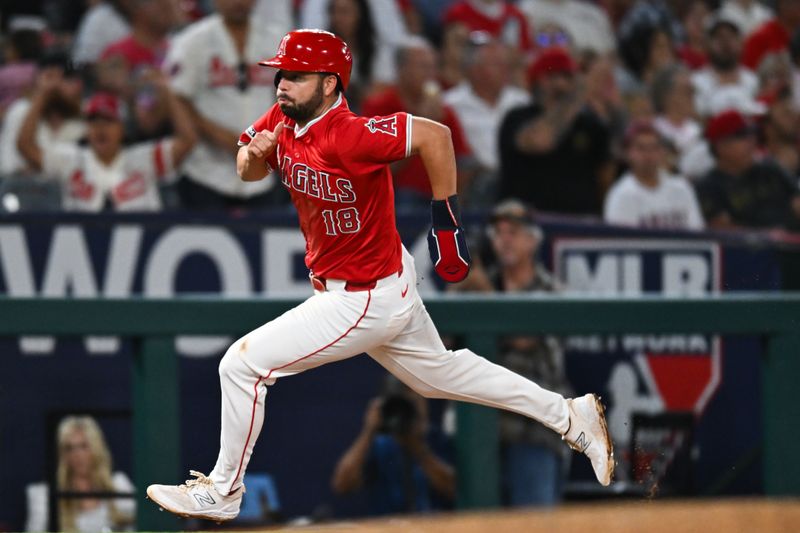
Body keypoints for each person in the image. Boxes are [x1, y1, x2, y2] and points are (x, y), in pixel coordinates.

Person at [145, 29, 614, 521]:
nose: (282, 83)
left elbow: (436, 136)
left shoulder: (350, 133)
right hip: (380, 283)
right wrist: (253, 155)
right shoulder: (283, 118)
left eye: (297, 76)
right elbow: (246, 170)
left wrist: (445, 217)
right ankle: (568, 415)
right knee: (441, 375)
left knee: (241, 366)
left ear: (330, 84)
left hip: (363, 296)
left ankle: (223, 490)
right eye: (281, 73)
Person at [456, 199, 573, 506]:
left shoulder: (550, 289)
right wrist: (458, 290)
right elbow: (442, 345)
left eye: (513, 232)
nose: (504, 239)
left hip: (532, 430)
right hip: (482, 430)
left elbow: (523, 337)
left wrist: (482, 293)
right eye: (498, 232)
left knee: (534, 524)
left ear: (533, 241)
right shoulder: (481, 282)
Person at [162, 0, 288, 209]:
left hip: (261, 176)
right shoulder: (193, 41)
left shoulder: (275, 40)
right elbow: (178, 96)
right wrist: (222, 137)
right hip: (206, 173)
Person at [16, 70, 196, 211]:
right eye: (94, 121)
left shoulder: (143, 159)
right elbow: (25, 146)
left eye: (108, 121)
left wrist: (167, 92)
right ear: (86, 129)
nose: (100, 128)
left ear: (122, 128)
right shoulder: (71, 160)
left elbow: (188, 141)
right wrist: (43, 95)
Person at [498, 47, 614, 215]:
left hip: (581, 224)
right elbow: (541, 141)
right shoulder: (517, 118)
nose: (566, 83)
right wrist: (578, 94)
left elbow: (605, 175)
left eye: (569, 76)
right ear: (538, 80)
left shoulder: (590, 124)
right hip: (528, 225)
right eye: (558, 75)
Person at [361, 37, 474, 207]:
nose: (430, 74)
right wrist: (417, 128)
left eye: (433, 67)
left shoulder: (442, 111)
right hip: (396, 195)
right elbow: (376, 169)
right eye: (423, 67)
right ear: (401, 69)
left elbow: (464, 158)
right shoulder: (379, 107)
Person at [331, 380, 455, 514]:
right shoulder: (379, 445)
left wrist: (418, 448)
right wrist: (368, 431)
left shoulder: (437, 439)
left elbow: (454, 490)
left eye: (413, 404)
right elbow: (342, 484)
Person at [442, 32, 530, 205]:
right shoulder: (451, 104)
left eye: (505, 64)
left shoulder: (522, 101)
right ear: (474, 70)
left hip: (518, 179)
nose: (505, 70)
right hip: (474, 184)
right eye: (496, 64)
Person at [25, 416, 135, 532]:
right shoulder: (44, 496)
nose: (77, 455)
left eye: (83, 446)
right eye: (69, 448)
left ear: (96, 448)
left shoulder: (119, 486)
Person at [695, 108, 800, 229]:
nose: (752, 140)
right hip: (750, 246)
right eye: (742, 134)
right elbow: (723, 230)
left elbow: (797, 203)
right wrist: (769, 238)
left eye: (753, 132)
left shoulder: (771, 170)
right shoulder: (708, 187)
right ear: (720, 145)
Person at [604, 120, 705, 230]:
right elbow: (621, 242)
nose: (648, 155)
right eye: (641, 148)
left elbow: (697, 231)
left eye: (654, 147)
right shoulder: (622, 195)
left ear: (662, 151)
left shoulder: (682, 188)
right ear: (628, 153)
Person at [692, 14, 760, 118]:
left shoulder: (752, 80)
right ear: (707, 44)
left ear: (741, 42)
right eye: (719, 37)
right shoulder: (697, 81)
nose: (725, 42)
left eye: (731, 36)